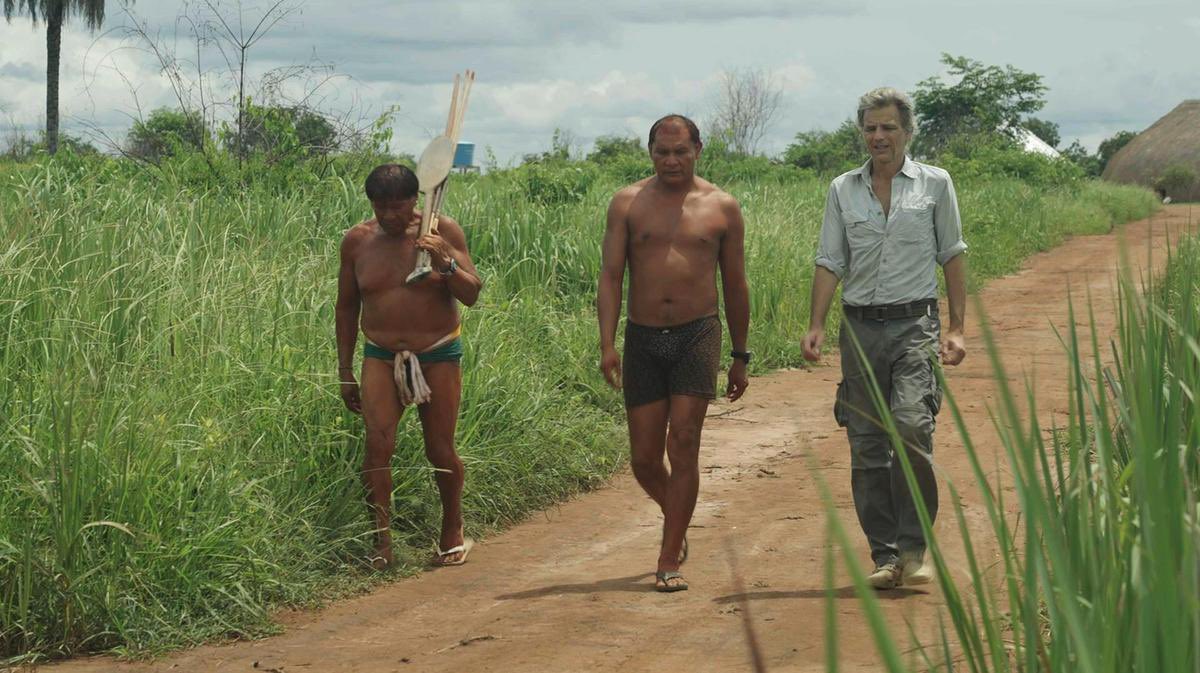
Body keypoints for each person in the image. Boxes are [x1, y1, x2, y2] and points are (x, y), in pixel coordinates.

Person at [801, 88, 968, 590]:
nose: (879, 137)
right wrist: (815, 324)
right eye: (871, 128)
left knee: (912, 426)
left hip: (914, 324)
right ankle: (887, 554)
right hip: (858, 327)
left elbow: (953, 255)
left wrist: (957, 328)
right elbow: (831, 260)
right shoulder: (842, 189)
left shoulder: (935, 185)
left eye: (888, 127)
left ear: (907, 132)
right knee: (868, 441)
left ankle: (914, 543)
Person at [597, 114, 751, 592]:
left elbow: (736, 284)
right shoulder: (627, 203)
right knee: (644, 459)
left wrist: (741, 354)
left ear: (698, 149)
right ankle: (676, 518)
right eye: (662, 152)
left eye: (680, 151)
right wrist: (606, 343)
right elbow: (610, 276)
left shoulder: (722, 207)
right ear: (650, 152)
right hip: (643, 337)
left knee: (682, 441)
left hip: (697, 334)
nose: (671, 160)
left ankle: (668, 557)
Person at [335, 163, 484, 569]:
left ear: (415, 201)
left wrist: (445, 263)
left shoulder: (442, 232)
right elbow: (347, 307)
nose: (389, 216)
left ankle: (452, 528)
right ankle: (380, 544)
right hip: (381, 355)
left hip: (437, 352)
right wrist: (344, 370)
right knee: (377, 446)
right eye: (380, 207)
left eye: (398, 206)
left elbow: (471, 294)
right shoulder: (357, 241)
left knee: (440, 448)